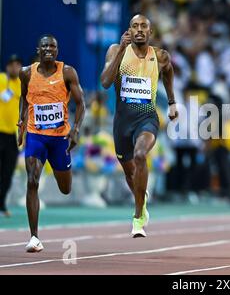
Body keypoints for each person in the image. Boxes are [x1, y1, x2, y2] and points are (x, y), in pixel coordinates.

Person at [101, 14, 178, 237]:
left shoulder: (160, 56)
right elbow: (105, 82)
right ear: (129, 30)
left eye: (144, 26)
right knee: (129, 173)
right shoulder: (116, 50)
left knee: (141, 154)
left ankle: (137, 218)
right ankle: (141, 200)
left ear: (150, 32)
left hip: (147, 118)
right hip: (122, 123)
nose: (140, 30)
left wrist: (172, 102)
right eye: (135, 26)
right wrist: (122, 51)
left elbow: (169, 72)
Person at [18, 34, 86, 252]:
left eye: (53, 46)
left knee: (65, 189)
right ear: (38, 49)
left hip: (59, 139)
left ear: (57, 50)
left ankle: (63, 170)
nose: (49, 49)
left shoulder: (67, 72)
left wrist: (75, 130)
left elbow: (81, 103)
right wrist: (22, 121)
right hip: (36, 135)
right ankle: (34, 237)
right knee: (32, 180)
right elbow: (23, 97)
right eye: (45, 45)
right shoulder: (26, 73)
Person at [0, 55, 23, 217]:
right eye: (12, 65)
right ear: (7, 67)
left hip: (12, 136)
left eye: (17, 65)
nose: (14, 68)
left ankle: (1, 204)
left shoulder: (21, 84)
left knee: (8, 172)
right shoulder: (1, 79)